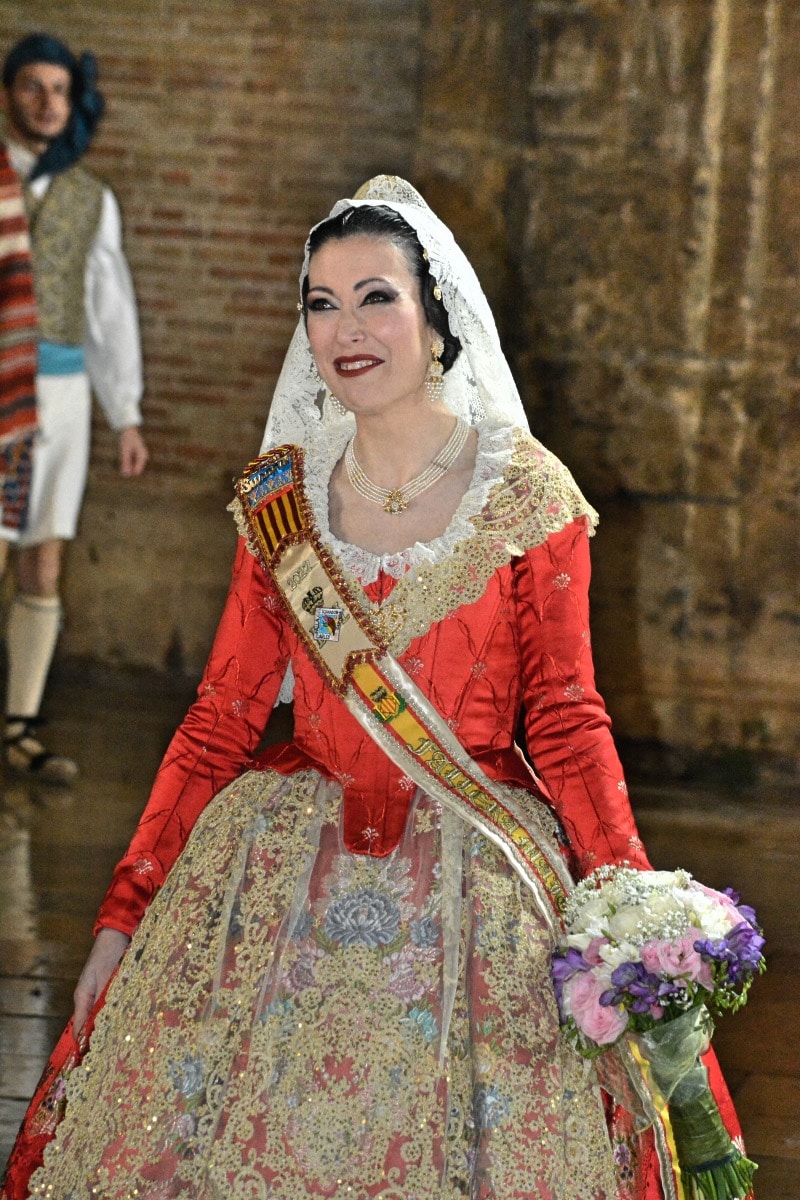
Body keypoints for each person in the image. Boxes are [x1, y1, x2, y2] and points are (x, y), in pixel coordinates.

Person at [0, 176, 745, 1199]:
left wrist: (629, 908)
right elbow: (220, 717)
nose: (345, 329)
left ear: (436, 322)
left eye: (376, 298)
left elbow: (567, 721)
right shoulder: (278, 500)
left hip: (478, 876)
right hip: (278, 869)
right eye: (321, 303)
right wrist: (125, 913)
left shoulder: (525, 495)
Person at [0, 33, 148, 784]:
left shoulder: (92, 197)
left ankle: (19, 726)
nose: (47, 102)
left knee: (44, 554)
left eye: (59, 89)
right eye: (32, 86)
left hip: (60, 395)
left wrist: (125, 413)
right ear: (8, 94)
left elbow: (108, 312)